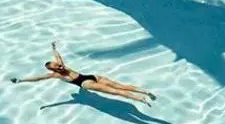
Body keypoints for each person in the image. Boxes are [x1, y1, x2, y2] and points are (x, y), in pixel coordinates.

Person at [10, 42, 156, 105]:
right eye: (56, 66)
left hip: (90, 78)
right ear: (54, 69)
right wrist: (21, 80)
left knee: (118, 87)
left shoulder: (60, 67)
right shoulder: (56, 74)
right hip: (85, 82)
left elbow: (57, 56)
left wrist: (53, 48)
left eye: (57, 64)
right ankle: (140, 97)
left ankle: (144, 94)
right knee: (115, 90)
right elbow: (37, 78)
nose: (59, 65)